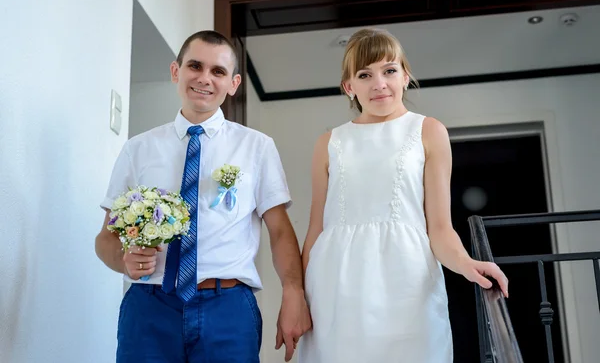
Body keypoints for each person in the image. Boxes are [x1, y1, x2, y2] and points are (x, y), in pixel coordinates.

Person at [95, 30, 311, 363]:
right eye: (195, 66)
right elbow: (106, 238)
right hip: (150, 306)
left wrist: (293, 292)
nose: (204, 78)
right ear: (175, 71)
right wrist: (122, 259)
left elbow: (280, 231)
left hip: (228, 308)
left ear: (234, 83)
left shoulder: (257, 147)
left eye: (218, 71)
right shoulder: (137, 149)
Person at [297, 28, 509, 362]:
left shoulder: (429, 131)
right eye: (365, 75)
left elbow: (439, 227)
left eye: (389, 70)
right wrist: (297, 297)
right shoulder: (329, 142)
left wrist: (467, 263)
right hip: (335, 286)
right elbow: (315, 230)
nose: (379, 83)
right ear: (349, 87)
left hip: (406, 283)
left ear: (405, 76)